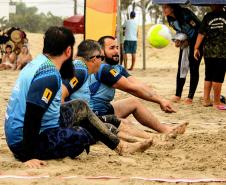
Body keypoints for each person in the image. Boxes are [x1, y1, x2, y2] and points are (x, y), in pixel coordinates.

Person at [4, 27, 151, 169]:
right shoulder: (49, 75)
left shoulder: (37, 63)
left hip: (28, 131)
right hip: (24, 142)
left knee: (80, 107)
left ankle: (121, 147)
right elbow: (32, 114)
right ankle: (122, 144)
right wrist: (29, 156)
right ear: (68, 51)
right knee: (82, 135)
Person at [89, 36, 188, 136]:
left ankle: (165, 130)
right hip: (93, 115)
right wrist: (159, 101)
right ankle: (151, 138)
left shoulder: (117, 67)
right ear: (101, 51)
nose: (116, 51)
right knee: (125, 123)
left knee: (133, 102)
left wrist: (161, 99)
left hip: (104, 110)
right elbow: (132, 89)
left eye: (117, 47)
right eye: (111, 48)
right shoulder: (103, 69)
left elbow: (138, 84)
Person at [62, 39, 154, 143]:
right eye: (101, 57)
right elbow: (60, 95)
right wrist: (65, 124)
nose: (102, 61)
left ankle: (150, 138)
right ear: (93, 59)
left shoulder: (83, 70)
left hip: (88, 116)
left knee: (115, 121)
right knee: (110, 125)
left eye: (117, 48)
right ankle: (142, 141)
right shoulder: (81, 71)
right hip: (79, 120)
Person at [162, 4, 202, 104]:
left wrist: (191, 42)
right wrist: (178, 39)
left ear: (172, 7)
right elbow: (180, 31)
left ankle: (190, 97)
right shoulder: (170, 18)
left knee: (193, 67)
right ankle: (178, 95)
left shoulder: (186, 15)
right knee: (181, 67)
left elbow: (199, 29)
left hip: (197, 42)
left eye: (165, 7)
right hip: (186, 43)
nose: (163, 9)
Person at [194, 5, 226, 108]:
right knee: (218, 77)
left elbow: (201, 33)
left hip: (208, 51)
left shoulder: (208, 16)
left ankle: (206, 100)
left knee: (209, 75)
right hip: (222, 52)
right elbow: (201, 33)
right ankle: (216, 102)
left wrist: (196, 47)